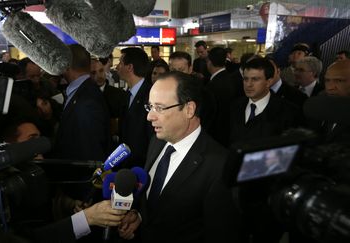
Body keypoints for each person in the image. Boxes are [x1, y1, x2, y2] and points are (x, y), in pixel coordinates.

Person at [118, 71, 242, 243]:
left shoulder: (220, 166)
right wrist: (139, 215)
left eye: (159, 108)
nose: (149, 116)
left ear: (189, 109)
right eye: (150, 107)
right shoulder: (157, 141)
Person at [52, 44, 110, 162]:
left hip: (80, 177)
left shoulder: (87, 101)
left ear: (66, 65)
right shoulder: (84, 91)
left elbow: (91, 152)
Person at [117, 47, 153, 169]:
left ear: (130, 67)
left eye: (120, 63)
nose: (117, 67)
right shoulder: (128, 94)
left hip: (142, 168)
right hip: (127, 164)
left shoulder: (150, 95)